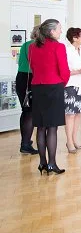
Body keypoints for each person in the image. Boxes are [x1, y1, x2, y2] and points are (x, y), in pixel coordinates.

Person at [29, 19, 70, 175]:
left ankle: (42, 163)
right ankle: (52, 163)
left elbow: (33, 67)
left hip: (37, 88)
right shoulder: (59, 47)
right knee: (52, 128)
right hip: (54, 88)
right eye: (59, 29)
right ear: (52, 31)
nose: (61, 31)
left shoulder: (32, 47)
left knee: (41, 127)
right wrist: (61, 84)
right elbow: (64, 70)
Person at [64, 28, 81, 153]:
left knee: (79, 113)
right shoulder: (67, 50)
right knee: (70, 114)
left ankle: (75, 139)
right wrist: (79, 71)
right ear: (74, 38)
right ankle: (69, 141)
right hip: (71, 85)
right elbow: (64, 71)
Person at [15, 26, 39, 155]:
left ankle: (25, 141)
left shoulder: (25, 44)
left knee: (26, 111)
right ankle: (25, 144)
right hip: (31, 79)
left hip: (21, 78)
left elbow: (20, 63)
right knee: (30, 113)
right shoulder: (38, 46)